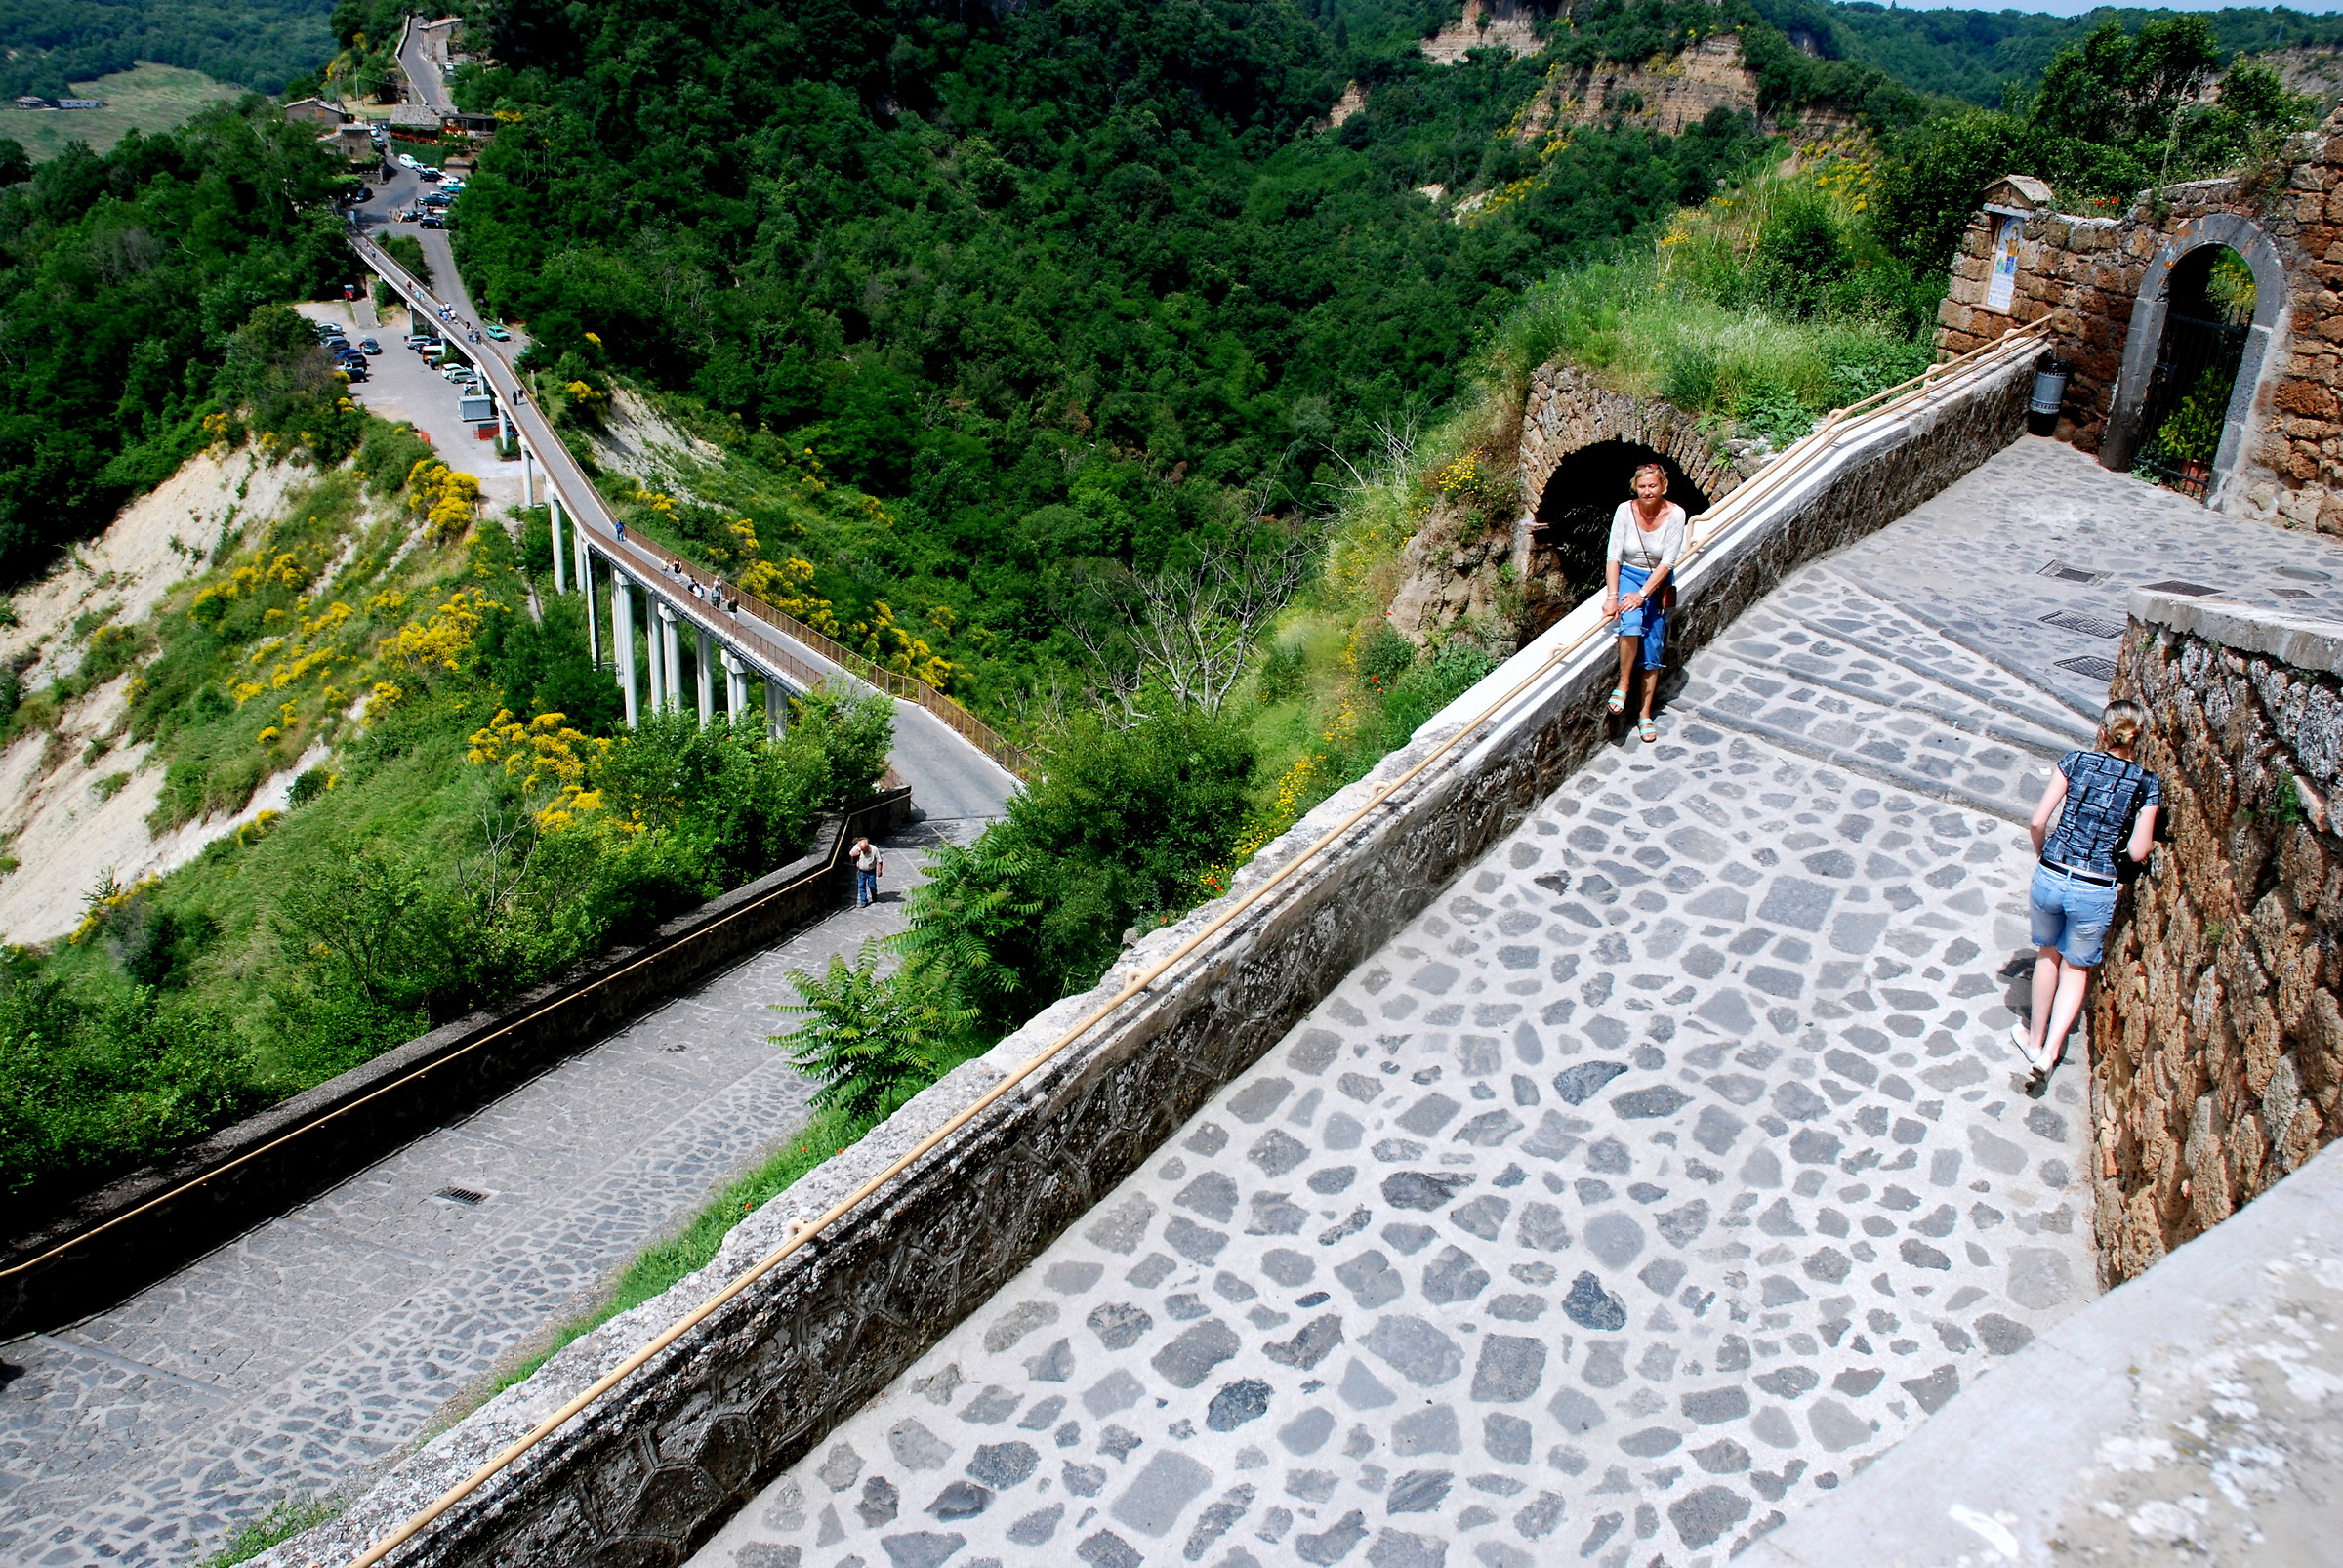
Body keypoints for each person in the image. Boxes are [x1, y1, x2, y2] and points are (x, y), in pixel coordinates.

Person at [2017, 700, 2161, 1081]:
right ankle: (2049, 1054)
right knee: (2076, 967)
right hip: (2095, 887)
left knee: (2047, 954)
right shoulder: (2148, 784)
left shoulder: (2075, 762)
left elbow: (2037, 821)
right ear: (2138, 736)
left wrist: (2044, 858)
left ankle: (2033, 1038)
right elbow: (2138, 850)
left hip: (2052, 872)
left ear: (2103, 730)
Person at [1600, 463, 1686, 744]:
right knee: (1631, 623)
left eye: (1652, 486)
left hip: (1656, 582)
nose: (1647, 491)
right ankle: (1623, 684)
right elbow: (1614, 556)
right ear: (1635, 488)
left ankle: (1644, 713)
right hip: (1629, 574)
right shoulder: (1625, 511)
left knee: (1652, 650)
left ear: (1663, 486)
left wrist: (1643, 595)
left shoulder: (1676, 515)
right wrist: (1612, 597)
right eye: (1642, 486)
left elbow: (1668, 562)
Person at [851, 837, 884, 907]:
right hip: (861, 871)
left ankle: (874, 896)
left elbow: (880, 861)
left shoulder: (874, 849)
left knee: (872, 885)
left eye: (864, 850)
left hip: (871, 871)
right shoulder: (857, 847)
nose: (863, 851)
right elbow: (851, 854)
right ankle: (864, 902)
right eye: (862, 850)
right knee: (861, 886)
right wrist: (856, 854)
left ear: (868, 847)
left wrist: (879, 870)